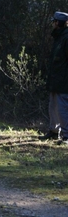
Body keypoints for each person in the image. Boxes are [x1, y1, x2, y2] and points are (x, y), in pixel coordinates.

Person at [38, 11, 68, 145]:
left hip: (64, 81)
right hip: (56, 79)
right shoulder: (59, 37)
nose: (53, 24)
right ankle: (54, 132)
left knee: (62, 108)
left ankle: (66, 135)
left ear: (58, 23)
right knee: (53, 106)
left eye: (54, 21)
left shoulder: (66, 38)